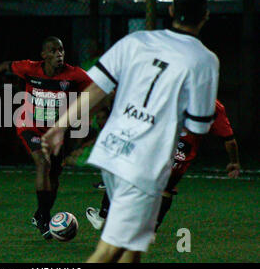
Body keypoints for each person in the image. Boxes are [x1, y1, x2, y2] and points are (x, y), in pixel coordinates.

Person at [42, 0, 219, 262]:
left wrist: (60, 126)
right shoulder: (204, 60)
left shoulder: (136, 41)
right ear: (206, 15)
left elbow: (96, 88)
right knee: (108, 251)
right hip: (143, 163)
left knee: (133, 248)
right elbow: (198, 125)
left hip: (111, 152)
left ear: (171, 10)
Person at [0, 36, 92, 239]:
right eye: (52, 51)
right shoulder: (30, 68)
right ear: (43, 55)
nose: (58, 54)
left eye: (61, 50)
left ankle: (39, 214)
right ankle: (44, 218)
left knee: (55, 176)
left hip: (55, 133)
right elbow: (3, 66)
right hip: (29, 126)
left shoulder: (74, 74)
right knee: (43, 163)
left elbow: (98, 88)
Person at [86, 99, 241, 238]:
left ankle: (104, 216)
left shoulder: (173, 88)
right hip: (182, 154)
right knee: (166, 189)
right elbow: (229, 139)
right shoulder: (215, 106)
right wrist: (234, 162)